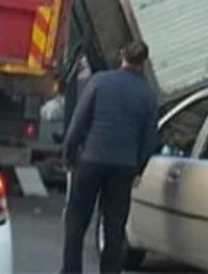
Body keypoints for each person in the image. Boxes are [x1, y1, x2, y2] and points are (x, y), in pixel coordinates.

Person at [61, 40, 159, 274]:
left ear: (121, 56)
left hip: (91, 159)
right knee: (114, 227)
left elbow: (79, 121)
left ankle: (71, 270)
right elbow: (149, 138)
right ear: (143, 62)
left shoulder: (100, 82)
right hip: (124, 166)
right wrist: (139, 169)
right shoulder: (147, 95)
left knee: (76, 220)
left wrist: (68, 153)